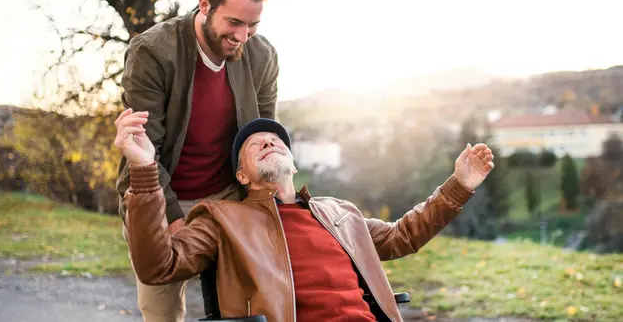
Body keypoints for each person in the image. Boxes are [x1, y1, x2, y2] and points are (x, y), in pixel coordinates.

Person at [115, 110, 496, 322]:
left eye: (276, 140)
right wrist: (145, 170)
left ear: (293, 165)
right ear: (242, 176)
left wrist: (460, 184)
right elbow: (158, 267)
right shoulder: (222, 219)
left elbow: (403, 235)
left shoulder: (338, 213)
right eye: (253, 145)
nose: (267, 141)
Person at [114, 0, 278, 321]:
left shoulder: (262, 56)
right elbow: (146, 149)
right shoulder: (152, 52)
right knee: (162, 311)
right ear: (205, 4)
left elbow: (265, 138)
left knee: (242, 310)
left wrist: (274, 201)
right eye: (233, 23)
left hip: (225, 195)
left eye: (253, 25)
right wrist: (173, 219)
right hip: (156, 193)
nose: (243, 36)